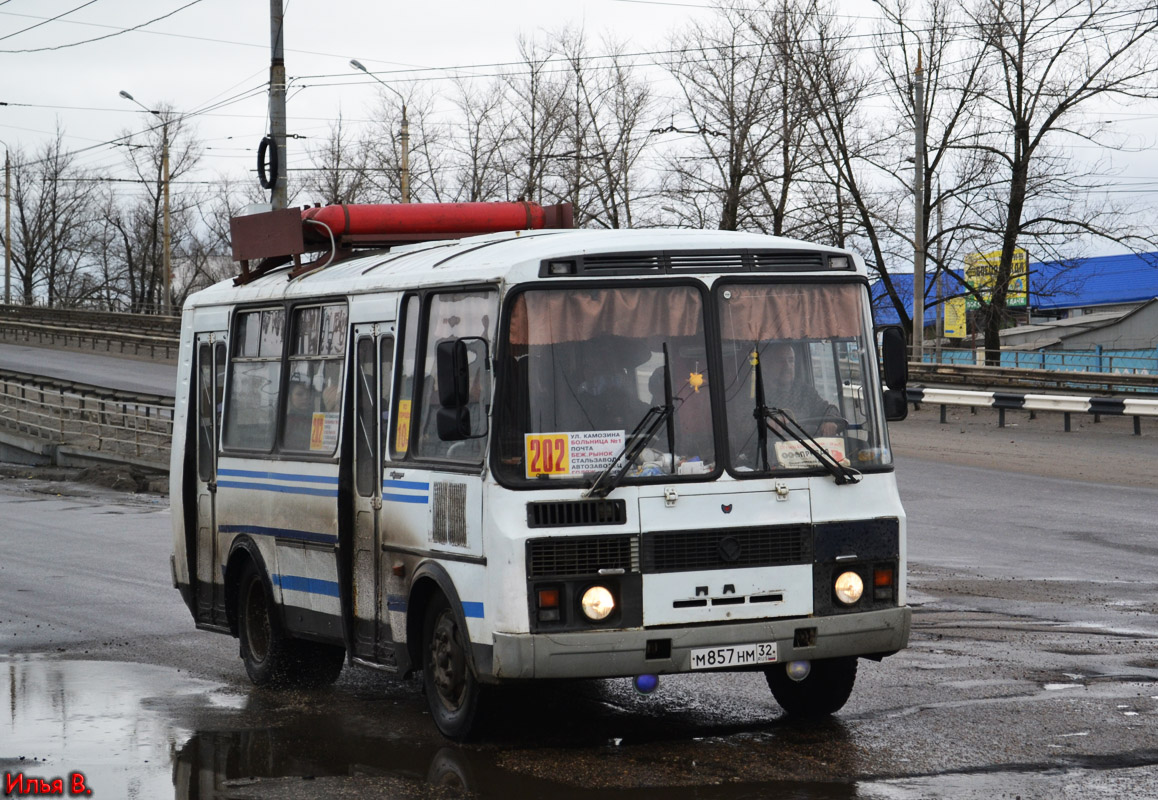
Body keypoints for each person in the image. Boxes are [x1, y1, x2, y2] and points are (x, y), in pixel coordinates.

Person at [763, 342, 841, 437]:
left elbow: (828, 409)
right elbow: (744, 422)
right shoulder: (758, 394)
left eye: (791, 360)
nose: (787, 366)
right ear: (767, 365)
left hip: (808, 448)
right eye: (781, 361)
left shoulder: (805, 391)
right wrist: (767, 422)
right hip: (770, 449)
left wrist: (830, 420)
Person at [284, 379, 315, 449]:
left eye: (309, 394)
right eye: (299, 394)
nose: (306, 397)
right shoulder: (285, 422)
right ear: (289, 398)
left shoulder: (316, 419)